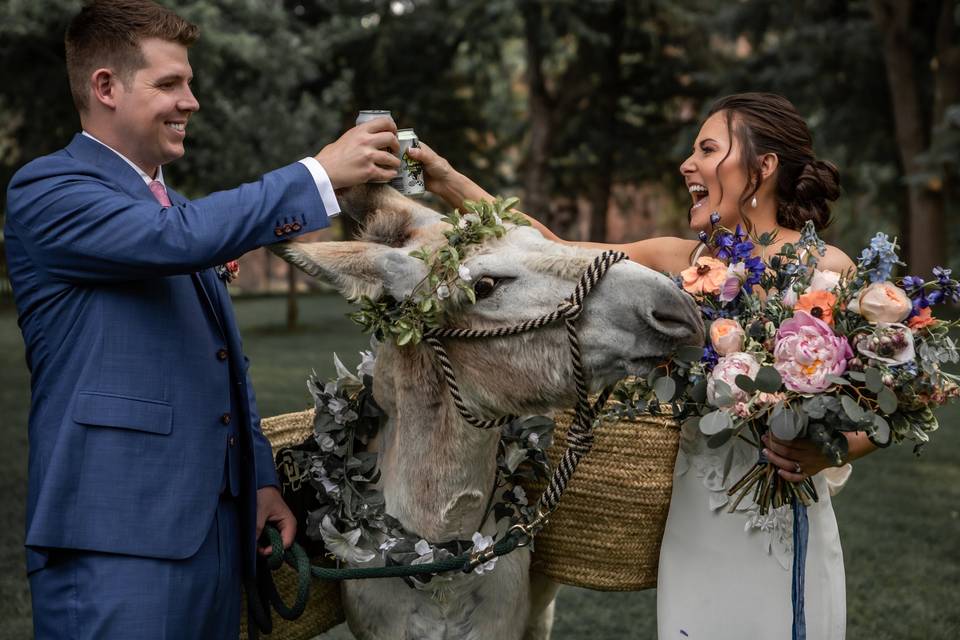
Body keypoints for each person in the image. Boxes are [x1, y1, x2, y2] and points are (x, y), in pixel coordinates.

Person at [408, 92, 877, 638]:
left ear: (763, 166)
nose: (687, 165)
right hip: (693, 523)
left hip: (788, 524)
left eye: (707, 148)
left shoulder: (827, 271)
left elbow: (880, 407)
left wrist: (824, 452)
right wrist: (445, 179)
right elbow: (549, 249)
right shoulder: (679, 260)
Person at [4, 1, 400, 637]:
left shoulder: (180, 213)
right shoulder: (49, 189)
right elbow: (173, 237)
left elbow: (222, 363)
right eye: (169, 83)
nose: (191, 101)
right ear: (105, 87)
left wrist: (259, 480)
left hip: (217, 537)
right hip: (117, 539)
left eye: (190, 82)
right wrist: (318, 175)